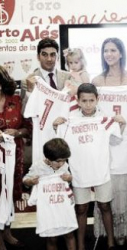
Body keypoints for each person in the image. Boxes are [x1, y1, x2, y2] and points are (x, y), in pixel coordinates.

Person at [53, 83, 126, 250]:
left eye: (91, 100)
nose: (87, 104)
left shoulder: (105, 119)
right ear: (77, 100)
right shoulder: (69, 120)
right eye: (84, 100)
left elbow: (115, 141)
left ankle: (110, 242)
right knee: (81, 208)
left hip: (101, 169)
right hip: (79, 171)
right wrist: (55, 126)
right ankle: (80, 245)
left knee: (105, 205)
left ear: (97, 100)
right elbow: (61, 145)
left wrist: (121, 125)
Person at [92, 37, 127, 246]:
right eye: (105, 51)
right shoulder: (97, 81)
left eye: (113, 50)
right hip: (105, 142)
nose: (109, 55)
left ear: (121, 53)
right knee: (106, 187)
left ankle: (124, 233)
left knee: (124, 190)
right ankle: (104, 232)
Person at [23, 138, 76, 250]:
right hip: (48, 211)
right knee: (52, 238)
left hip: (64, 208)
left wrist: (69, 178)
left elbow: (69, 179)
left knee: (69, 234)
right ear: (48, 158)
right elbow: (25, 180)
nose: (61, 163)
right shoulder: (38, 166)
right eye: (58, 161)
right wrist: (31, 181)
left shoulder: (64, 166)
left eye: (64, 160)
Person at [0, 65, 31, 249]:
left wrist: (17, 132)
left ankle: (7, 232)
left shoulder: (17, 100)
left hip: (14, 156)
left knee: (10, 193)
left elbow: (28, 128)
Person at [21, 38, 72, 107]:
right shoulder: (27, 81)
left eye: (52, 55)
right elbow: (24, 113)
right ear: (38, 57)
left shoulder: (68, 77)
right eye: (44, 54)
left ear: (58, 57)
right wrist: (29, 92)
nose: (49, 59)